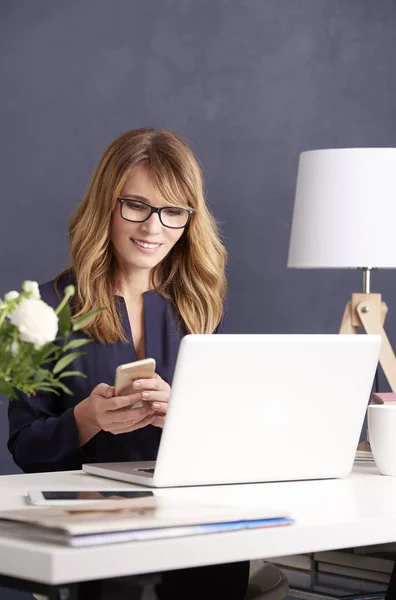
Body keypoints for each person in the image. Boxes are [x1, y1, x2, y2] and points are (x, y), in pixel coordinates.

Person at [8, 128, 250, 599]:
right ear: (106, 204)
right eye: (136, 205)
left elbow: (230, 438)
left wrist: (183, 414)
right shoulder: (44, 311)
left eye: (172, 212)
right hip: (93, 528)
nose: (152, 228)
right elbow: (24, 447)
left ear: (188, 220)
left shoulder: (200, 306)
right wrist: (85, 420)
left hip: (191, 520)